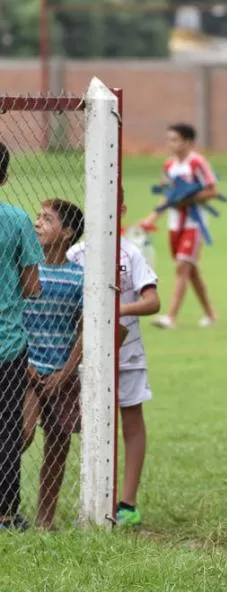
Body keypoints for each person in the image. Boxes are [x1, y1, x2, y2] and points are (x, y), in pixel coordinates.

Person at [68, 188, 160, 527]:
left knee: (131, 421)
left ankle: (127, 504)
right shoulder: (75, 253)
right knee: (78, 423)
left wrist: (119, 307)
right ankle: (90, 497)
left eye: (112, 204)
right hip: (82, 355)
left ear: (121, 208)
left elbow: (153, 302)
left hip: (128, 354)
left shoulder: (131, 254)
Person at [21, 199, 84, 530]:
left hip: (63, 374)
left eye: (47, 219)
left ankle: (44, 521)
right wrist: (25, 362)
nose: (37, 223)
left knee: (57, 447)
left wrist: (66, 371)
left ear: (67, 233)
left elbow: (85, 329)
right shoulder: (25, 270)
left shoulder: (78, 278)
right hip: (26, 371)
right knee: (21, 434)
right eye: (38, 217)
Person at [0, 142, 43, 531]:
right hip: (8, 343)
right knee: (8, 426)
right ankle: (6, 512)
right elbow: (31, 286)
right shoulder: (16, 219)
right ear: (6, 176)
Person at [142, 122, 218, 330]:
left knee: (182, 266)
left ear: (188, 141)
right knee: (190, 271)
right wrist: (151, 218)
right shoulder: (169, 166)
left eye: (175, 139)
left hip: (194, 224)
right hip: (174, 225)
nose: (170, 144)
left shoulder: (197, 163)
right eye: (169, 139)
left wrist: (190, 197)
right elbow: (167, 197)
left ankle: (171, 317)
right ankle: (210, 314)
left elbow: (213, 190)